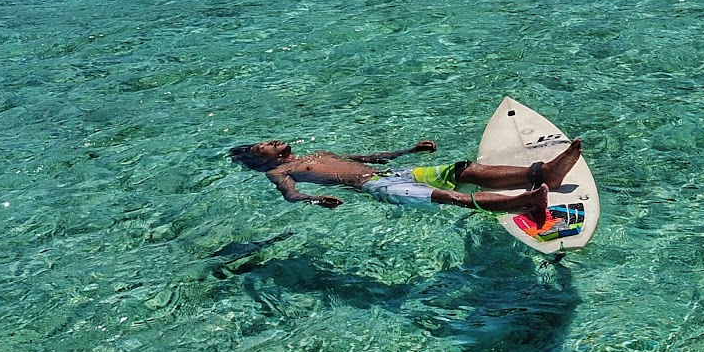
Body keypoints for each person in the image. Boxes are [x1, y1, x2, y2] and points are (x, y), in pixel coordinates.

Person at [229, 135, 582, 229]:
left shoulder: (315, 153)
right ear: (259, 157)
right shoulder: (278, 172)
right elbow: (290, 196)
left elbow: (366, 159)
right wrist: (314, 200)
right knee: (445, 196)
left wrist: (408, 150)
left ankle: (542, 175)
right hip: (375, 187)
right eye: (264, 144)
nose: (272, 140)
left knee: (461, 170)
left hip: (387, 174)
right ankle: (526, 201)